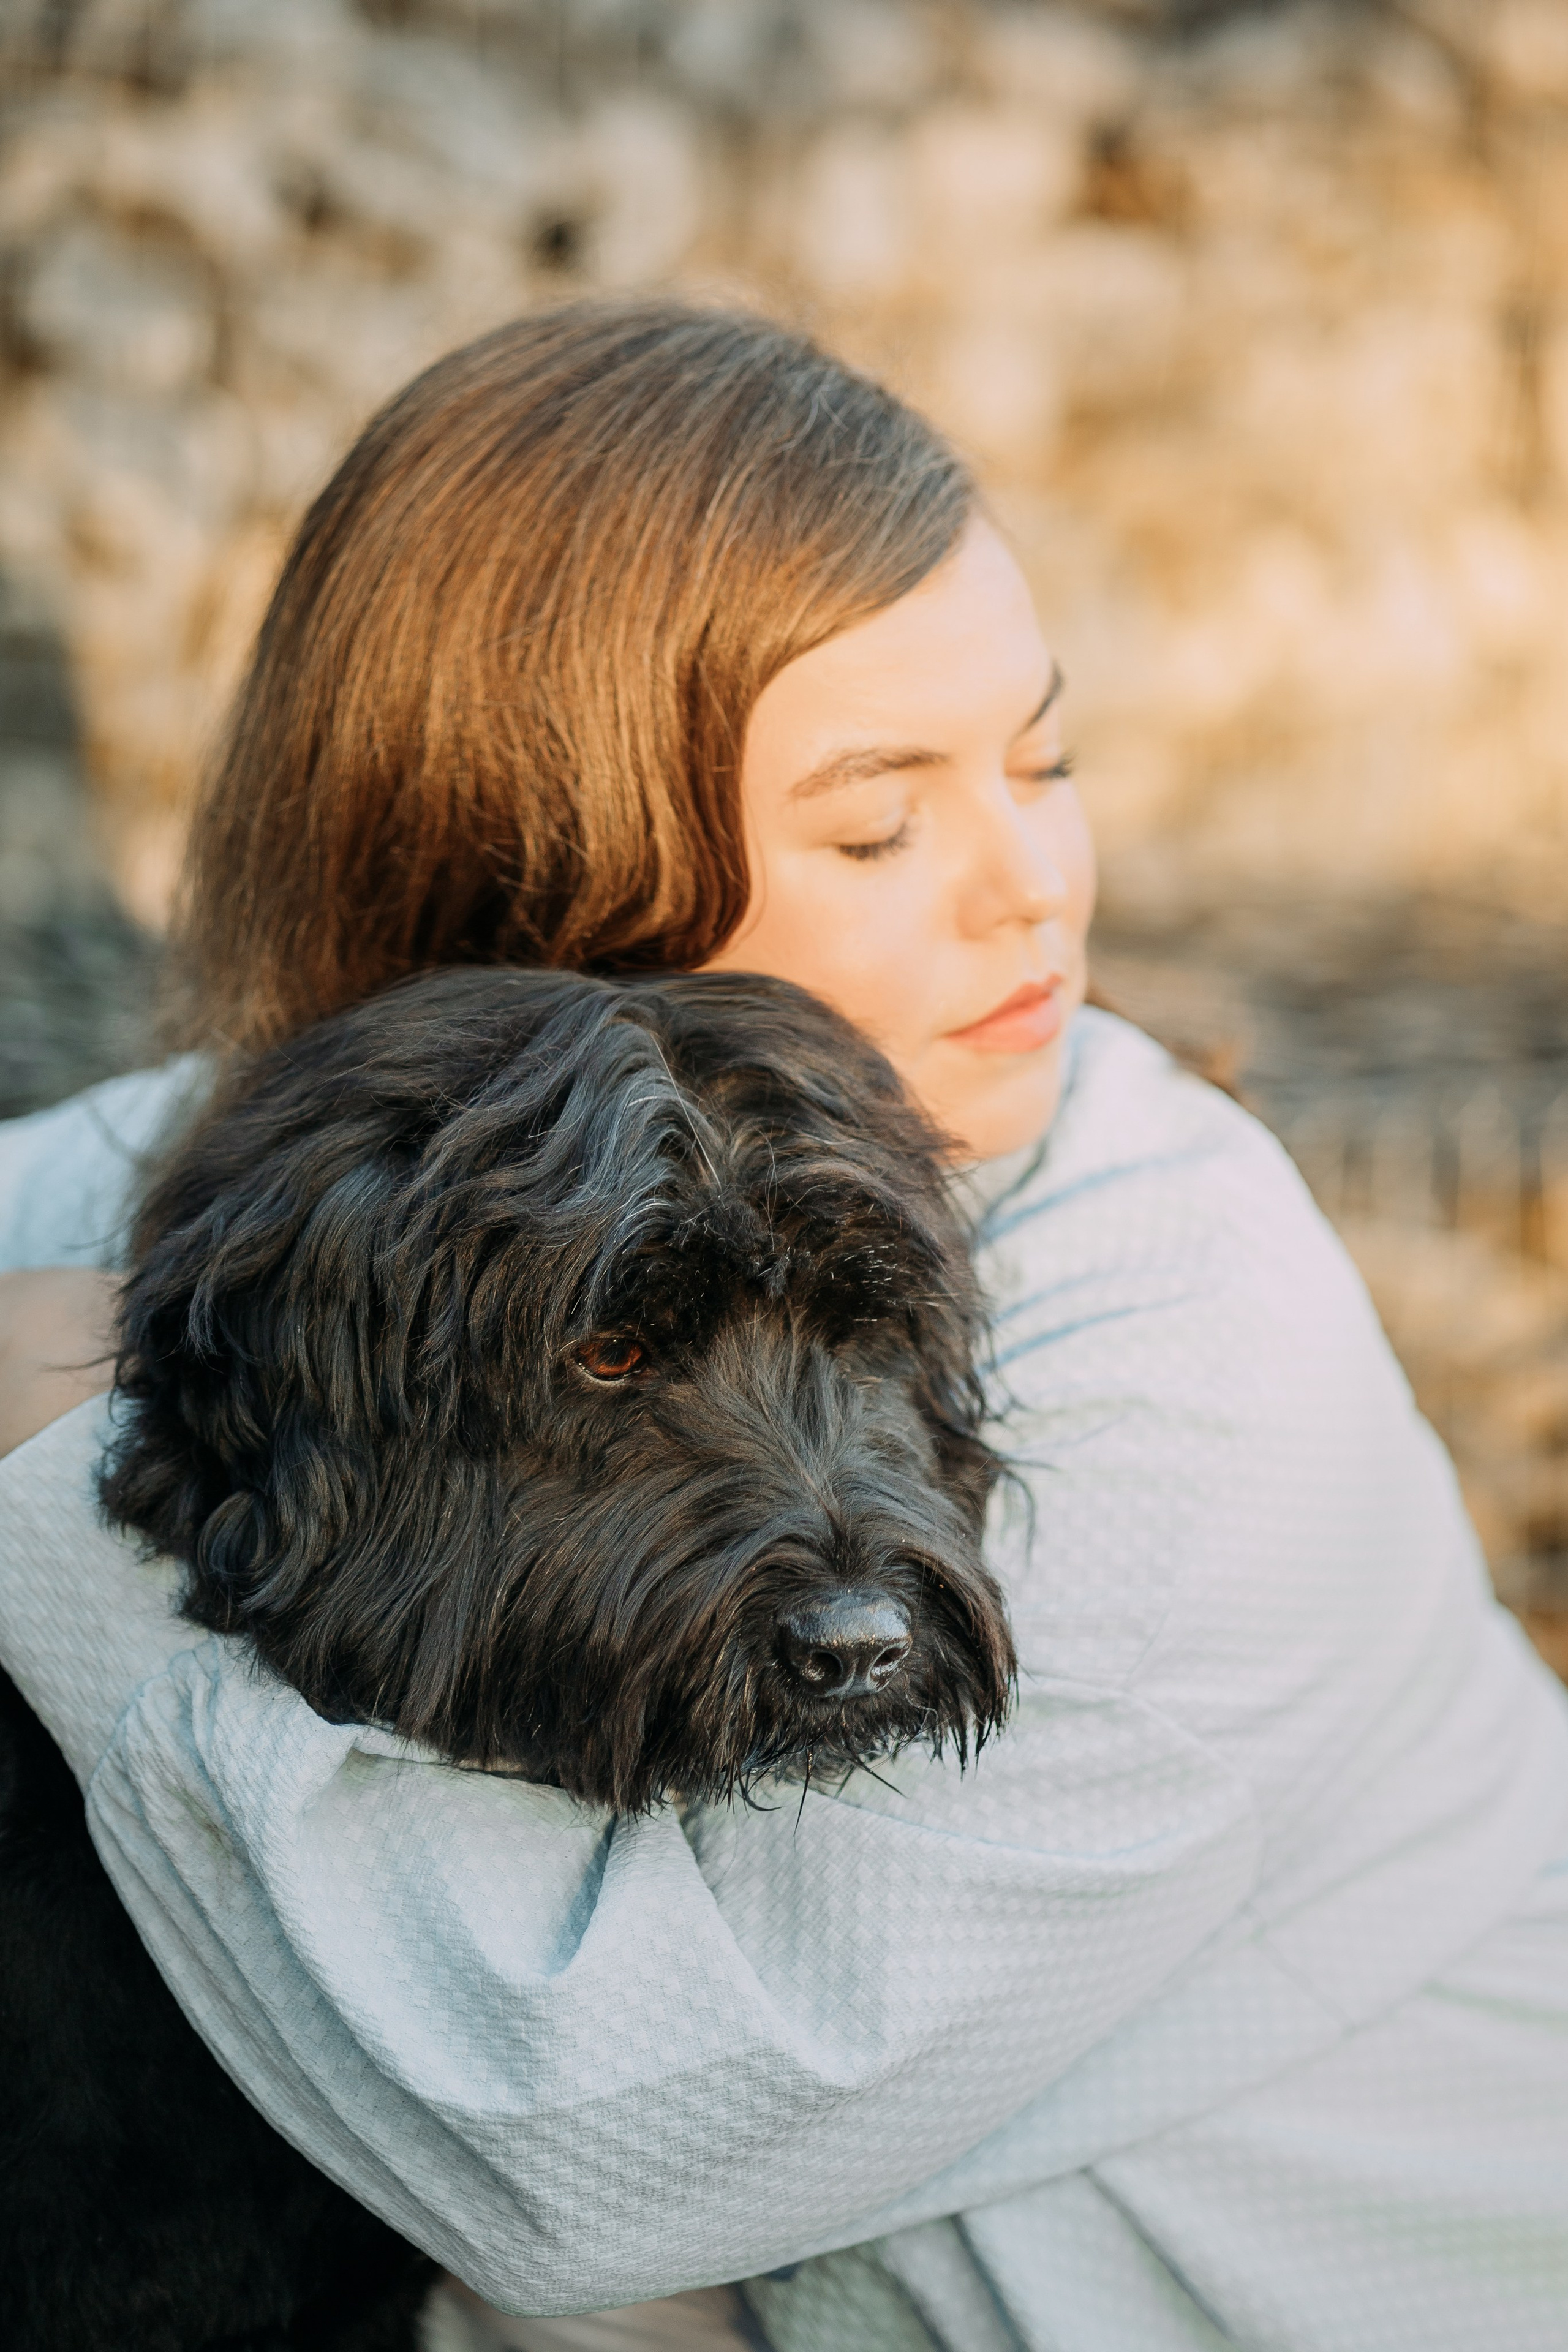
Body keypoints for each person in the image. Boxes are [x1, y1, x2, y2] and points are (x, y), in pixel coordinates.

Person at [1, 301, 1566, 2352]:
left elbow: (588, 2160)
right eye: (879, 822)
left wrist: (64, 1474)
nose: (1034, 889)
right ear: (537, 877)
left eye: (1046, 757)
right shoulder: (326, 1168)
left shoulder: (1186, 1327)